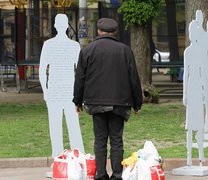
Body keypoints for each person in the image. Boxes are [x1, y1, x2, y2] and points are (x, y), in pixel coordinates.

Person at [73, 18, 143, 180]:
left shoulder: (88, 50)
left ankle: (101, 174)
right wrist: (137, 103)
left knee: (100, 140)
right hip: (120, 102)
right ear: (115, 32)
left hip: (96, 102)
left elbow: (80, 79)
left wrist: (77, 101)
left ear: (98, 31)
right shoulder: (125, 50)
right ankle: (117, 175)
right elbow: (134, 78)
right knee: (117, 140)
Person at [39, 14, 85, 157]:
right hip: (67, 90)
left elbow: (42, 70)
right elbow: (80, 73)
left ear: (54, 25)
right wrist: (80, 93)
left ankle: (58, 157)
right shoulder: (74, 46)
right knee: (73, 126)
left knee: (56, 126)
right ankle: (78, 156)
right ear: (67, 26)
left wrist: (45, 91)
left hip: (55, 90)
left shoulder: (49, 45)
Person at [183, 20, 205, 167]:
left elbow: (203, 72)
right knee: (190, 124)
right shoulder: (188, 51)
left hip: (198, 86)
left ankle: (201, 155)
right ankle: (189, 156)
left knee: (200, 124)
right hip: (191, 86)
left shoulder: (201, 51)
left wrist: (204, 89)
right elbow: (186, 73)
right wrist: (184, 93)